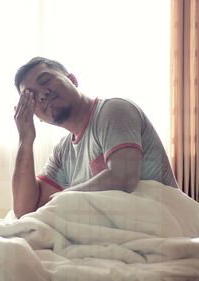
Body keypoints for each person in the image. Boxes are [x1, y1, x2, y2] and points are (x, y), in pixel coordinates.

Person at [12, 57, 178, 218]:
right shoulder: (63, 152)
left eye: (46, 80)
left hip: (160, 221)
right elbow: (24, 211)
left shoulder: (114, 110)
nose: (42, 94)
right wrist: (25, 140)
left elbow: (124, 177)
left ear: (72, 79)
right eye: (31, 96)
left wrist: (63, 198)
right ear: (37, 116)